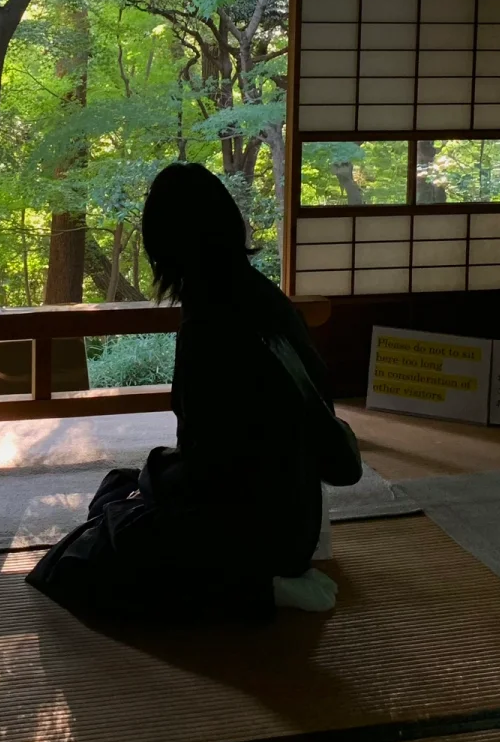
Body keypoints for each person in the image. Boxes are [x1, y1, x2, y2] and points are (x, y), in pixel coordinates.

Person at [26, 161, 362, 623]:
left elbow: (212, 472)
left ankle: (259, 591)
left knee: (72, 565)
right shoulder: (268, 300)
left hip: (249, 536)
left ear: (166, 246)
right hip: (299, 518)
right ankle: (268, 579)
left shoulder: (208, 323)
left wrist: (160, 480)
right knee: (119, 489)